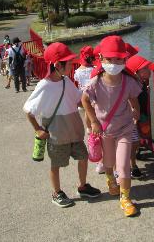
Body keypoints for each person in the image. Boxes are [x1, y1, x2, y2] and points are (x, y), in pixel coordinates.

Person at [23, 42, 101, 207]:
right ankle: (56, 192)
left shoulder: (66, 81)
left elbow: (79, 99)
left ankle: (82, 185)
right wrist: (37, 129)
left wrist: (92, 103)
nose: (73, 65)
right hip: (57, 133)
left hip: (73, 130)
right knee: (56, 164)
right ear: (58, 65)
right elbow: (29, 110)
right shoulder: (44, 85)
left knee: (83, 157)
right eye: (70, 63)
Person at [81, 35, 142, 217]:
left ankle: (125, 198)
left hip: (124, 128)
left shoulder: (129, 81)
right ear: (101, 59)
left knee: (123, 165)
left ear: (125, 59)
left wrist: (136, 112)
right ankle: (110, 180)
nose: (114, 63)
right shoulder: (95, 82)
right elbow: (84, 100)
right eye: (109, 59)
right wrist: (93, 121)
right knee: (108, 162)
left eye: (118, 59)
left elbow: (133, 99)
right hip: (105, 130)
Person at [125, 54, 152, 178]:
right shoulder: (132, 85)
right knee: (134, 141)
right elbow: (131, 101)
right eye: (145, 69)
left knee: (137, 140)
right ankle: (132, 166)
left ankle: (132, 161)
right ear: (136, 72)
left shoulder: (141, 83)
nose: (149, 70)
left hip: (140, 116)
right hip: (133, 119)